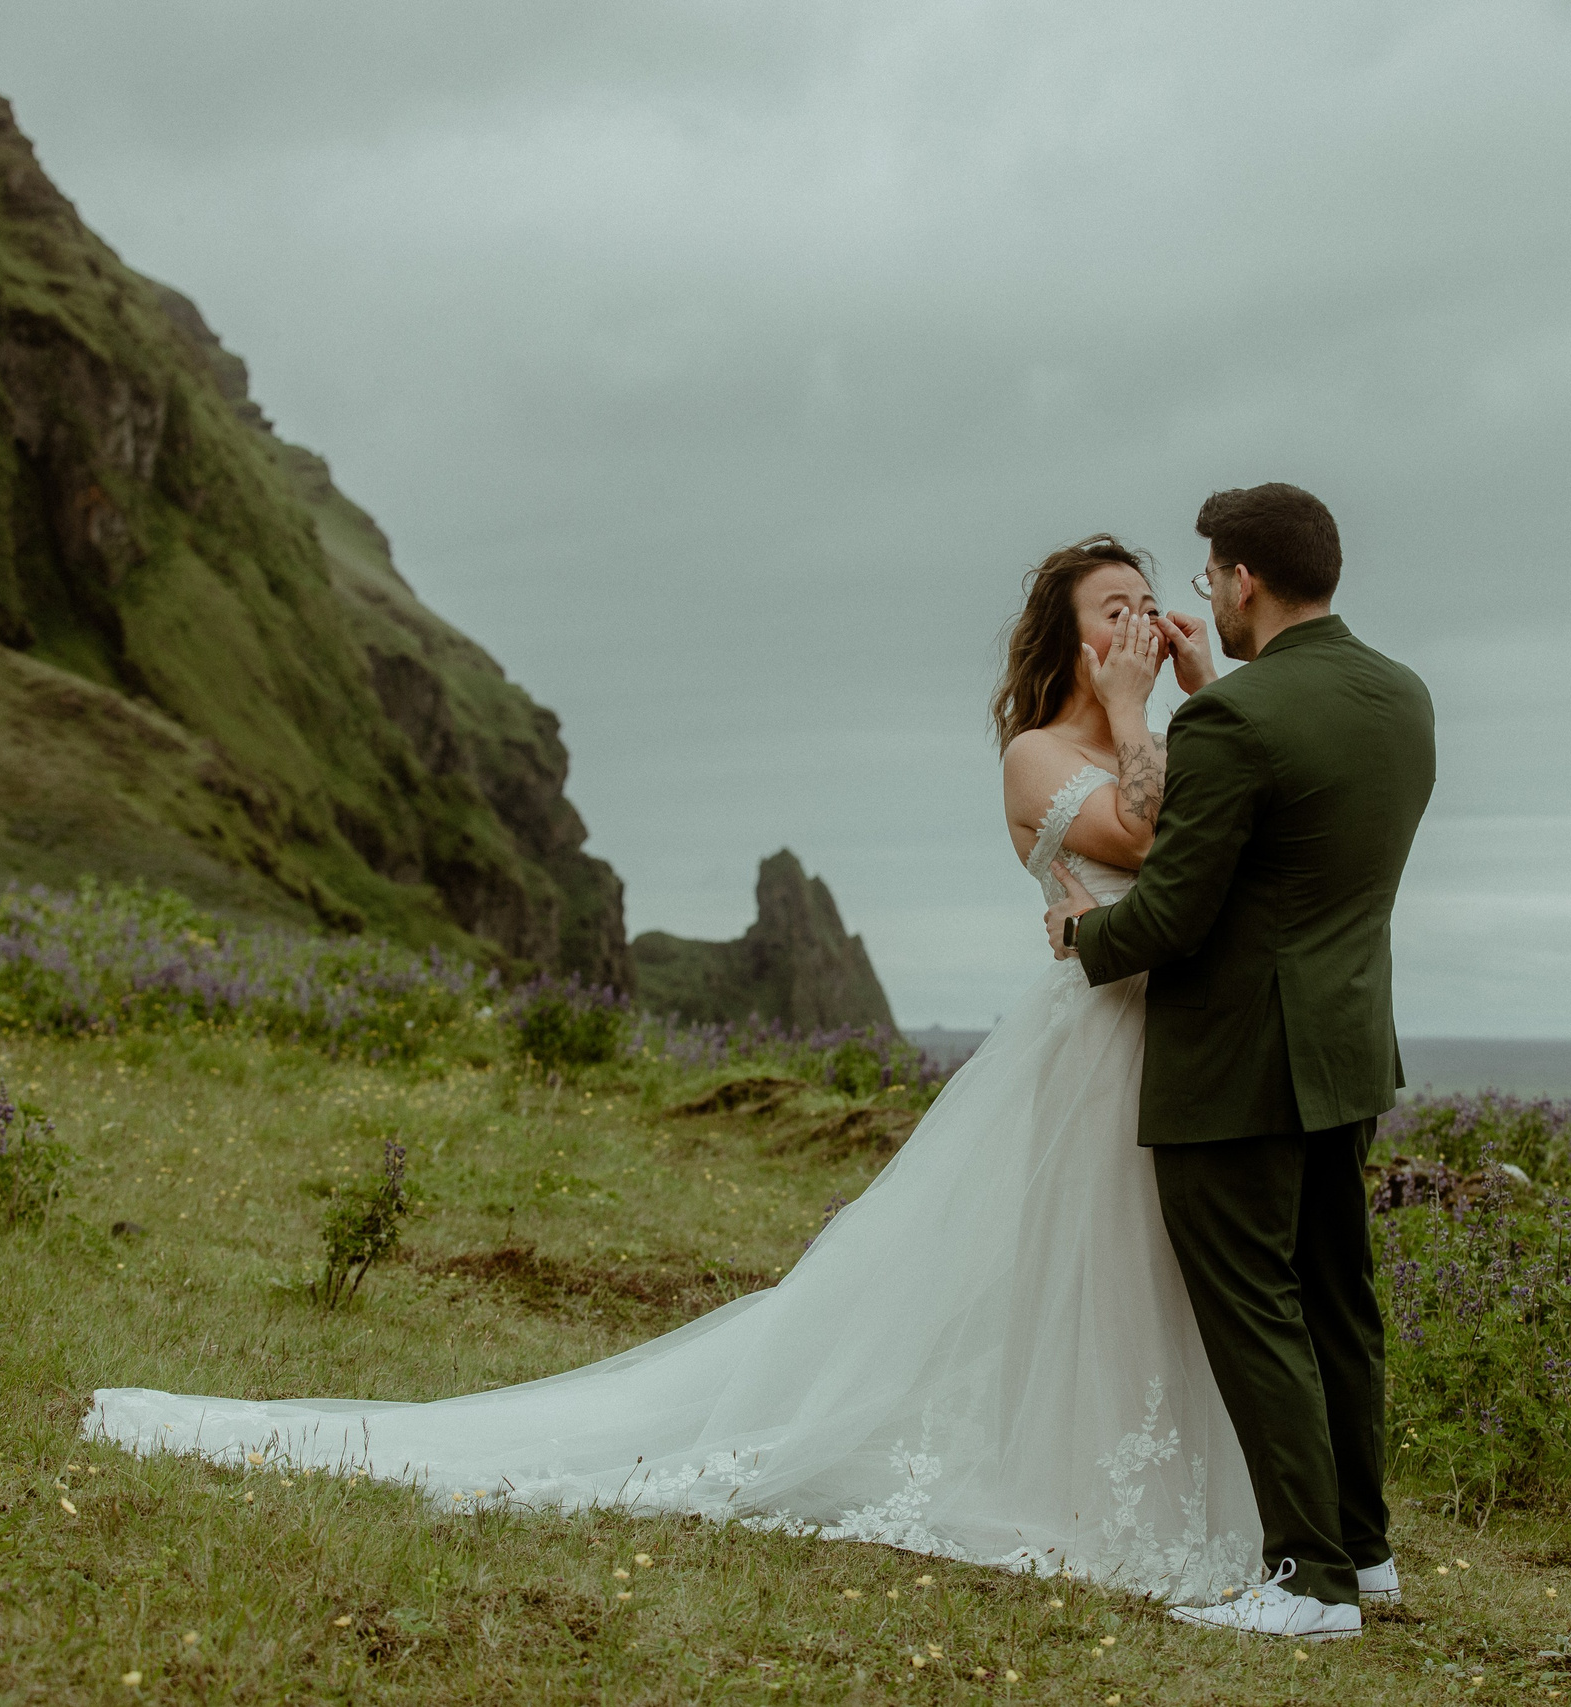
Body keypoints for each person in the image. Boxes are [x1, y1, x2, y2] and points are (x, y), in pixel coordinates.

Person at [85, 532, 1265, 1605]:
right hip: (1092, 1044)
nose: (1138, 625)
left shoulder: (1152, 736)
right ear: (1066, 639)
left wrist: (1201, 686)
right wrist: (1136, 709)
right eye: (1113, 609)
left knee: (1150, 1264)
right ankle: (1082, 1492)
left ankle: (1157, 1480)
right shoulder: (1037, 754)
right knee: (1095, 1255)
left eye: (1147, 605)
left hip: (1169, 1030)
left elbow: (1218, 832)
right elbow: (1151, 834)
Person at [1047, 483, 1438, 1641]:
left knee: (1256, 1309)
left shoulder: (1232, 721)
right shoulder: (1400, 695)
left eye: (1210, 575)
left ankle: (1308, 1583)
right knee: (1337, 1306)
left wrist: (1080, 934)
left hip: (1236, 1063)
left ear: (1242, 580)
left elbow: (1173, 914)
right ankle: (1364, 1557)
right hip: (1344, 1053)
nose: (1204, 594)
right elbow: (1290, 836)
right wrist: (1208, 693)